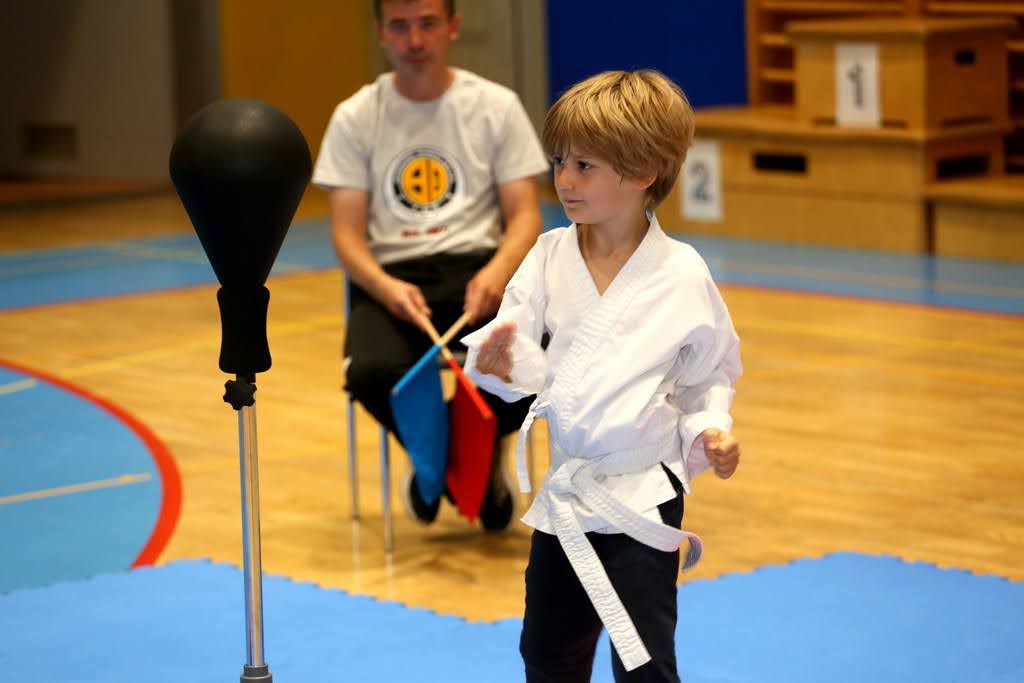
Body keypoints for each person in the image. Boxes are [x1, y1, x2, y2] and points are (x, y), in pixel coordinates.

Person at [462, 70, 743, 681]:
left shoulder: (681, 273)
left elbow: (708, 374)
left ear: (644, 171)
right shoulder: (548, 255)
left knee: (644, 664)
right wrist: (499, 363)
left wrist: (710, 429)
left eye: (584, 166)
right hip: (567, 490)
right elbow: (513, 348)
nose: (563, 180)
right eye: (559, 162)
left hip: (642, 492)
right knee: (547, 655)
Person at [311, 0, 549, 530]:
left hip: (482, 273)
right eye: (399, 26)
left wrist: (497, 273)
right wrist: (384, 287)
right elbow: (346, 235)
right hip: (393, 280)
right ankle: (441, 458)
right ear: (380, 32)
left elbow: (525, 216)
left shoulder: (496, 106)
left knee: (541, 361)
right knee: (370, 373)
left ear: (453, 27)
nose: (414, 40)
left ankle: (457, 457)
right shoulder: (355, 116)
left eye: (428, 24)